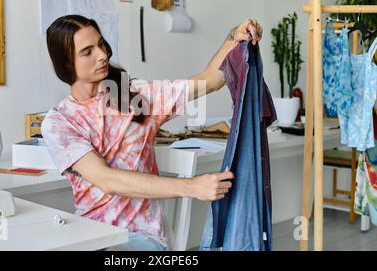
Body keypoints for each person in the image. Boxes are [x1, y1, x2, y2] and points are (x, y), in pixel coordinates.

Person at [42, 15, 263, 251]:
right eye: (87, 52)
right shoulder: (59, 122)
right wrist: (191, 187)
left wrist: (234, 38)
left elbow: (209, 81)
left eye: (101, 44)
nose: (102, 55)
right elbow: (106, 180)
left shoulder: (137, 96)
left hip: (140, 237)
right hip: (88, 235)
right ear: (66, 64)